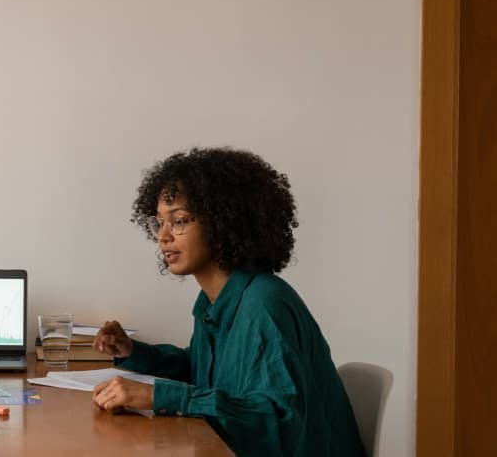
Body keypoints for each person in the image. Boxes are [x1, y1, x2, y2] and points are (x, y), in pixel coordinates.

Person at [92, 148, 366, 456]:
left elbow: (275, 420)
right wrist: (132, 351)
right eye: (159, 223)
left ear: (223, 222)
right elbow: (200, 367)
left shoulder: (264, 303)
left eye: (179, 220)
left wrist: (161, 397)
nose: (163, 236)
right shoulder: (215, 301)